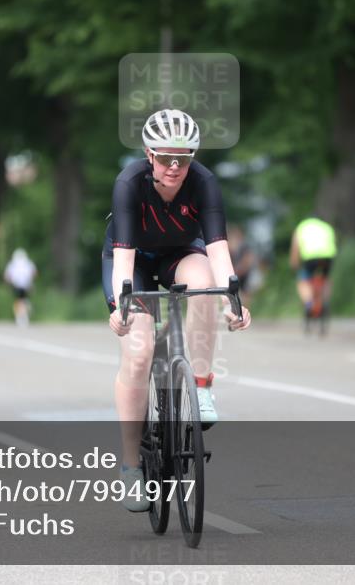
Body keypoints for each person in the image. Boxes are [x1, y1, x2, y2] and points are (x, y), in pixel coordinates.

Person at [102, 108, 251, 512]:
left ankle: (201, 384)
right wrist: (121, 307)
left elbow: (218, 251)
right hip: (132, 261)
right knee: (139, 353)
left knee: (204, 285)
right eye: (166, 157)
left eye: (183, 159)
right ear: (149, 155)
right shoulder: (129, 183)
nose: (174, 166)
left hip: (181, 253)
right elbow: (124, 262)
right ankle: (131, 467)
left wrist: (232, 300)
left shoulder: (204, 183)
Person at [289, 214, 336, 326]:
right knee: (325, 279)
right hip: (327, 258)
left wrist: (294, 265)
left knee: (303, 281)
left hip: (310, 258)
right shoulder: (327, 227)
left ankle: (309, 304)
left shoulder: (302, 227)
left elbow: (295, 249)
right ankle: (325, 303)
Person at [3, 248, 37, 326]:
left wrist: (8, 284)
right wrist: (32, 282)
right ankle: (24, 314)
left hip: (16, 285)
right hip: (26, 285)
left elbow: (7, 276)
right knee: (24, 300)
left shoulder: (12, 264)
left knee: (18, 300)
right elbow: (34, 273)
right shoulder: (28, 263)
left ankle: (20, 315)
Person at [227, 224, 257, 305]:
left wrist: (239, 270)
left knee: (246, 294)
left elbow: (248, 261)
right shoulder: (231, 247)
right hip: (238, 275)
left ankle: (245, 308)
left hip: (246, 274)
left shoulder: (244, 245)